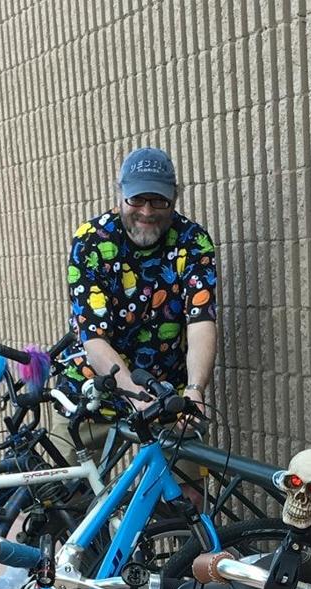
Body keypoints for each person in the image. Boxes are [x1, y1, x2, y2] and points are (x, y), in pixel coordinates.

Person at [63, 147, 218, 420]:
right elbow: (94, 336)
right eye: (136, 199)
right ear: (120, 194)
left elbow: (201, 321)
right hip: (91, 396)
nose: (147, 211)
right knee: (63, 449)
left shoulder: (193, 241)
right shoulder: (92, 241)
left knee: (188, 447)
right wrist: (134, 394)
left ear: (174, 198)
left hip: (165, 399)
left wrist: (194, 389)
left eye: (159, 201)